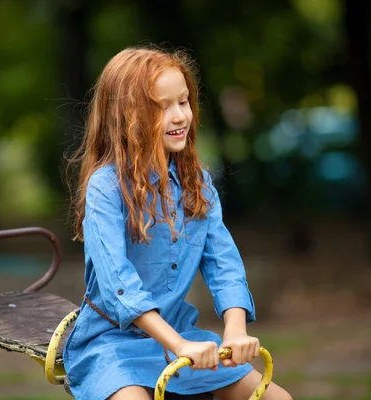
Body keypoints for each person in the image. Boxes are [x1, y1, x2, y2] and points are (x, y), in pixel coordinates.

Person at [63, 46, 292, 400]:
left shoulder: (196, 183)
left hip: (180, 336)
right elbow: (117, 283)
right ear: (129, 116)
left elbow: (224, 264)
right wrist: (178, 344)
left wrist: (235, 330)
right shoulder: (105, 187)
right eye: (161, 106)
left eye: (183, 102)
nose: (178, 115)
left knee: (278, 398)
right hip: (111, 345)